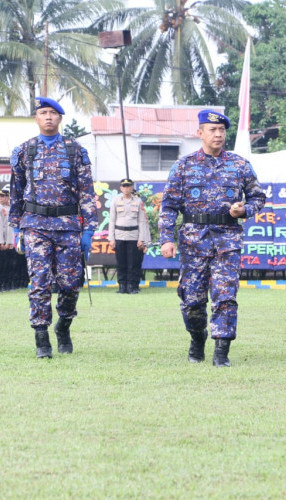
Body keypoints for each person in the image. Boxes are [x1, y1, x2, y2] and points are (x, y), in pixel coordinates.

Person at [158, 109, 265, 367]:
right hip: (193, 241)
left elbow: (258, 197)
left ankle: (222, 351)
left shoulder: (239, 164)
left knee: (225, 296)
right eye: (212, 130)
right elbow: (169, 205)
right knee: (192, 299)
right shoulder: (184, 165)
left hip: (227, 241)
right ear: (200, 133)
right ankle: (197, 337)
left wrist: (245, 210)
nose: (218, 134)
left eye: (221, 130)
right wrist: (166, 239)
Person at [9, 96, 98, 358]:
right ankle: (41, 338)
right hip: (35, 226)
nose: (48, 117)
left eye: (53, 113)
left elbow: (87, 192)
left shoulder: (75, 150)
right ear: (36, 118)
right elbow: (15, 192)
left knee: (71, 284)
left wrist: (89, 229)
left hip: (68, 226)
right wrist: (16, 228)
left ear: (60, 119)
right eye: (43, 112)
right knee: (39, 282)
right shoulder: (24, 151)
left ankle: (64, 325)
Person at [108, 178, 151, 294]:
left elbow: (142, 221)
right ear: (121, 188)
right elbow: (111, 220)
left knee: (134, 263)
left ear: (132, 187)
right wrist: (111, 238)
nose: (126, 188)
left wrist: (141, 238)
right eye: (124, 186)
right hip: (119, 235)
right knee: (121, 262)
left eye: (128, 186)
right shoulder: (115, 201)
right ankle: (122, 286)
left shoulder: (138, 201)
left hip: (133, 235)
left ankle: (133, 286)